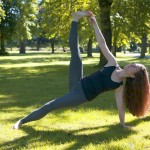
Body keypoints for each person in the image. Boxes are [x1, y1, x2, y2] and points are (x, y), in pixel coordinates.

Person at [13, 11, 150, 130]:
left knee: (51, 105)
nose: (130, 65)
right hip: (78, 81)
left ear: (133, 76)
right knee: (76, 54)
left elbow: (120, 107)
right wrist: (94, 23)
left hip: (81, 96)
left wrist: (123, 124)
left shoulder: (118, 86)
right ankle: (75, 19)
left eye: (134, 67)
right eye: (133, 64)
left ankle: (21, 121)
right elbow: (102, 44)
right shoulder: (113, 63)